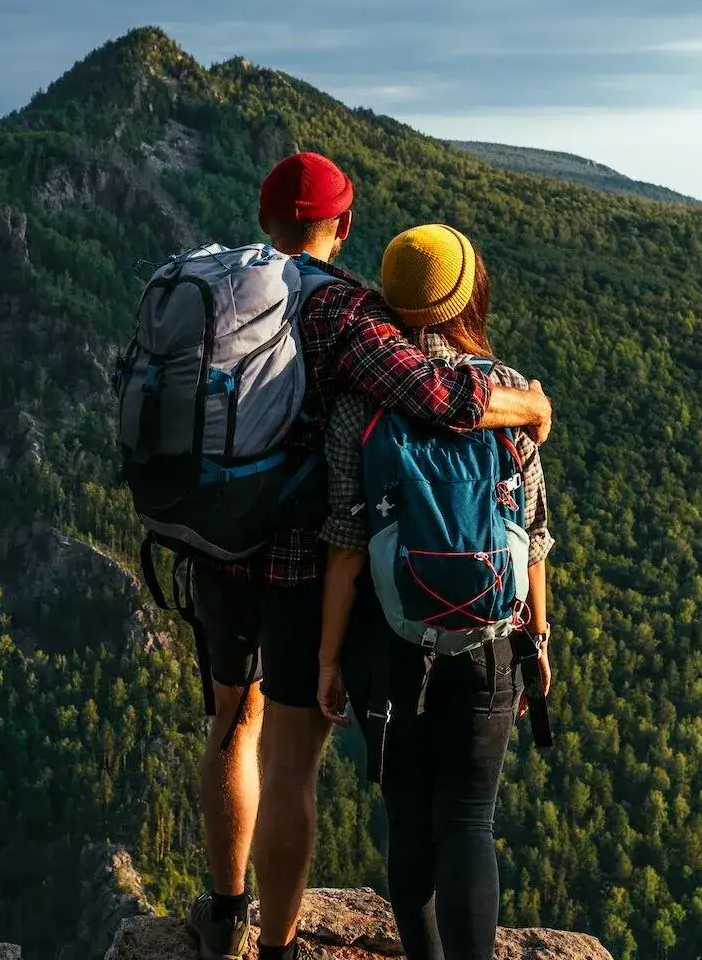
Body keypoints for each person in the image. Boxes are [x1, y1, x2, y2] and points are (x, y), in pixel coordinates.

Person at [186, 157, 554, 960]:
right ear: (344, 225)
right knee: (290, 765)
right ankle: (277, 946)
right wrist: (529, 404)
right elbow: (440, 399)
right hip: (294, 568)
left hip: (211, 547)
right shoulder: (343, 311)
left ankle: (222, 912)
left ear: (264, 220)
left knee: (227, 723)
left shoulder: (222, 287)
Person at [315, 224, 555, 960]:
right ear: (468, 296)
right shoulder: (507, 391)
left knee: (409, 817)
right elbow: (535, 532)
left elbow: (348, 547)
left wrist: (329, 659)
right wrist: (537, 641)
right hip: (490, 641)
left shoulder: (362, 402)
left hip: (390, 640)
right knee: (470, 822)